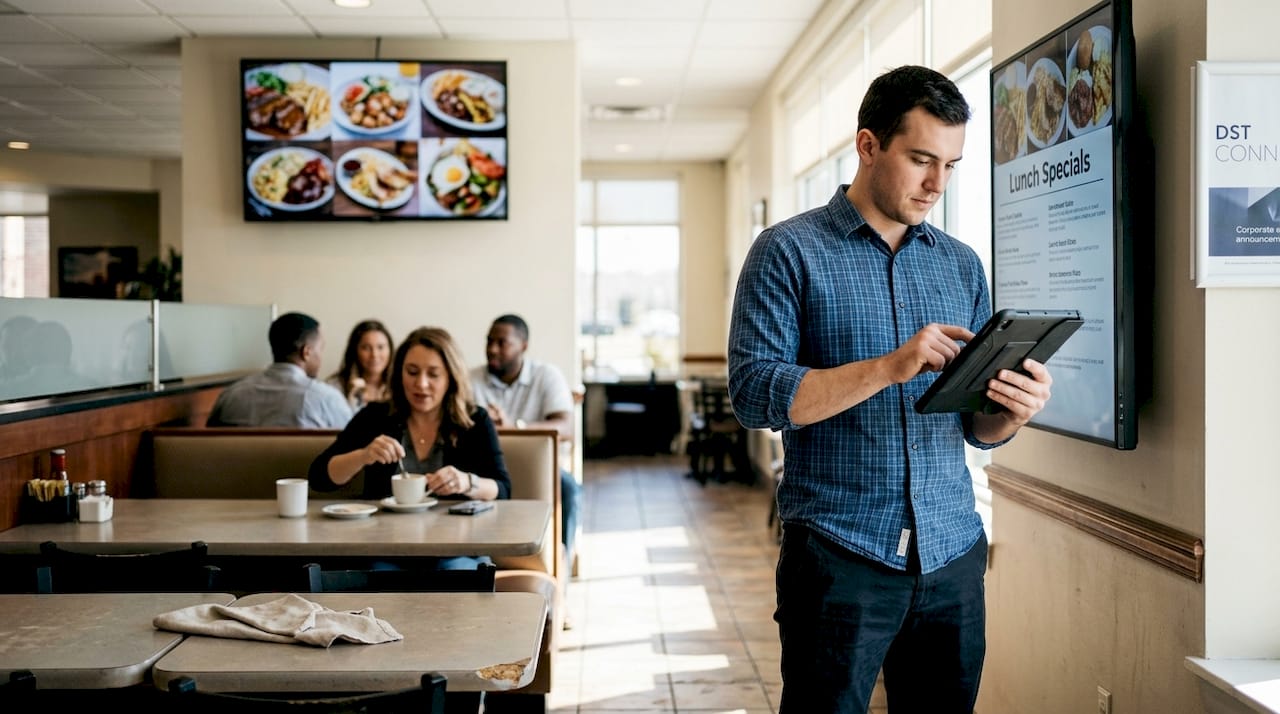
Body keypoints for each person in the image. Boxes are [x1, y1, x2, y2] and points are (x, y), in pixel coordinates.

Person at [727, 65, 1055, 714]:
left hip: (951, 552)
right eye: (921, 159)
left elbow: (974, 425)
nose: (937, 184)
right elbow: (755, 394)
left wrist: (1011, 411)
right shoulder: (787, 251)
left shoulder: (961, 264)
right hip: (838, 553)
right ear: (868, 145)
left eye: (952, 166)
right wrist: (888, 367)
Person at [309, 325, 510, 508]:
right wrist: (363, 456)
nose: (421, 384)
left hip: (456, 539)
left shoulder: (474, 420)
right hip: (384, 537)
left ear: (450, 377)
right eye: (412, 372)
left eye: (433, 374)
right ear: (399, 373)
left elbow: (503, 489)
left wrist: (467, 482)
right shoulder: (376, 416)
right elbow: (319, 478)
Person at [468, 314, 580, 582]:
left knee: (568, 487)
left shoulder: (546, 375)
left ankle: (559, 568)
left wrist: (514, 427)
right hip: (486, 468)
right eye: (489, 341)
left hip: (540, 471)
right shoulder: (470, 380)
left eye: (502, 342)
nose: (492, 348)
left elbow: (566, 428)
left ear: (523, 346)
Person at [207, 312, 353, 428]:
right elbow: (356, 444)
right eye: (321, 349)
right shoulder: (326, 398)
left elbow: (210, 441)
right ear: (306, 352)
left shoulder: (232, 395)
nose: (321, 357)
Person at [326, 319, 395, 412]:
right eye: (366, 348)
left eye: (380, 347)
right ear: (354, 351)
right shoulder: (334, 387)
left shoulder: (401, 385)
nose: (374, 355)